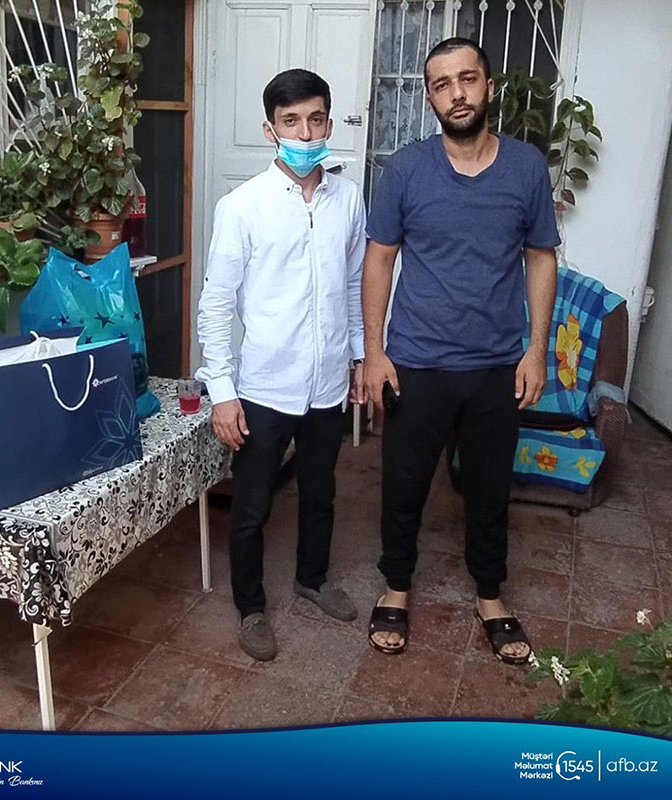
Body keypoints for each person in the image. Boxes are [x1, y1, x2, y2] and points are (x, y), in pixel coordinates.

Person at [362, 38, 559, 662]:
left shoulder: (526, 168)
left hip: (497, 365)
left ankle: (491, 595)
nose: (457, 94)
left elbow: (541, 258)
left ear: (489, 85)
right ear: (430, 98)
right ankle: (396, 586)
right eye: (442, 84)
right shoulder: (406, 170)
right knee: (404, 484)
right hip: (417, 362)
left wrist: (536, 350)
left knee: (490, 487)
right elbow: (379, 260)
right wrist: (374, 352)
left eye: (467, 79)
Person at [196, 69, 366, 661]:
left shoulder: (348, 198)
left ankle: (312, 580)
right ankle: (251, 607)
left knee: (321, 492)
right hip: (265, 387)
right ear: (270, 130)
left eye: (316, 119)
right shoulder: (242, 207)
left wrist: (358, 357)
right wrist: (222, 390)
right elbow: (217, 302)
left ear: (329, 121)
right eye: (291, 122)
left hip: (327, 384)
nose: (305, 133)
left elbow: (353, 283)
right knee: (252, 506)